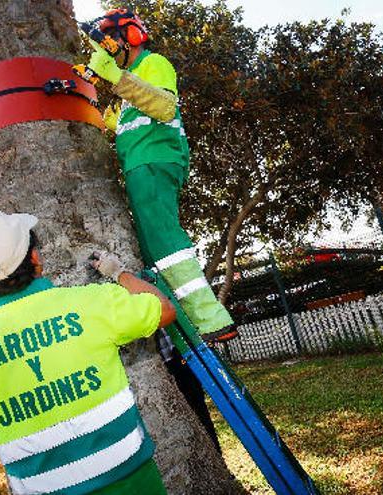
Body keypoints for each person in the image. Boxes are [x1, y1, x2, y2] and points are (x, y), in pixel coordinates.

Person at [0, 211, 176, 495]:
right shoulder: (90, 303)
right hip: (132, 482)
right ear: (35, 259)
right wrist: (119, 273)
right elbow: (163, 309)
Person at [81, 7, 237, 343]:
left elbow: (165, 107)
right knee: (152, 246)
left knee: (164, 238)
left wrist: (116, 77)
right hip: (142, 163)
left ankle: (212, 319)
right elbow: (124, 123)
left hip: (152, 160)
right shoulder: (127, 90)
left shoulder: (153, 64)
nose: (106, 48)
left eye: (109, 40)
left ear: (130, 38)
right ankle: (183, 321)